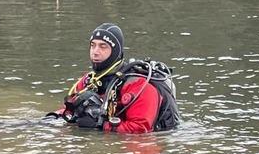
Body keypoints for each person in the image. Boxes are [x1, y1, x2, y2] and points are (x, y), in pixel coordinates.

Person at [51, 22, 179, 133]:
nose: (95, 52)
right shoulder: (89, 81)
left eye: (103, 46)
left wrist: (100, 125)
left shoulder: (139, 85)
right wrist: (52, 118)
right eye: (93, 45)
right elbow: (70, 110)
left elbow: (140, 129)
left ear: (115, 51)